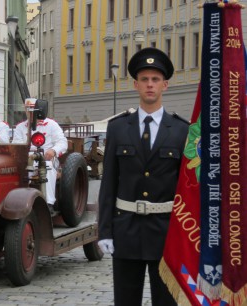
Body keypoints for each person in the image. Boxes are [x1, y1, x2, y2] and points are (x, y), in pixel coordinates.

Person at [97, 47, 189, 306]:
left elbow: (187, 187)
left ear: (165, 85)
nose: (150, 85)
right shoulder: (117, 128)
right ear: (136, 85)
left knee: (167, 300)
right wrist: (105, 231)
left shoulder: (181, 131)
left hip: (166, 232)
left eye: (156, 80)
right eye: (145, 80)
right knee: (125, 300)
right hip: (126, 229)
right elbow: (108, 185)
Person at [13, 98, 68, 215]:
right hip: (27, 160)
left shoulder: (51, 124)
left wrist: (53, 150)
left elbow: (63, 142)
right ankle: (20, 202)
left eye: (33, 110)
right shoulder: (20, 127)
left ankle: (48, 203)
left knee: (46, 167)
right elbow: (16, 145)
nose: (30, 113)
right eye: (28, 110)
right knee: (15, 170)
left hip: (47, 158)